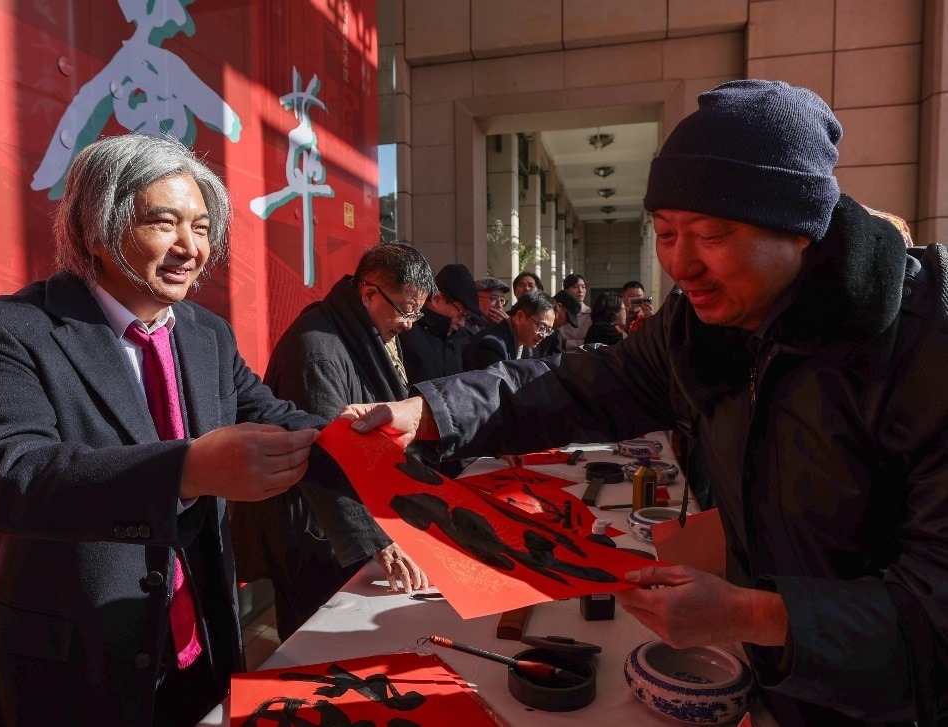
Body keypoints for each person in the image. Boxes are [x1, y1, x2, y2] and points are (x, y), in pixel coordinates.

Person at [341, 80, 948, 725]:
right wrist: (429, 413)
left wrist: (755, 615)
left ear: (802, 229)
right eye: (665, 233)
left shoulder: (924, 345)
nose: (681, 265)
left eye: (712, 235)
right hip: (773, 683)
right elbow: (575, 383)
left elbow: (934, 604)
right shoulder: (701, 328)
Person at [0, 134, 339, 726]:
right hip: (74, 668)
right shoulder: (7, 331)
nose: (190, 247)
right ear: (95, 230)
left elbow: (272, 415)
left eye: (201, 227)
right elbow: (0, 473)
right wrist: (186, 471)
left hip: (199, 649)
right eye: (164, 222)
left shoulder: (206, 334)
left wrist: (360, 437)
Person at [233, 242, 431, 640]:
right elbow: (327, 452)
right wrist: (377, 539)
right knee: (314, 636)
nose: (410, 324)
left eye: (417, 314)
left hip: (347, 514)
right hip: (316, 523)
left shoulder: (359, 331)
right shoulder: (316, 350)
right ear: (370, 293)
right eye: (406, 311)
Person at [401, 262, 485, 384]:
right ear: (437, 298)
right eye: (462, 314)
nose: (462, 323)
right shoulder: (405, 329)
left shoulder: (462, 337)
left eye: (467, 317)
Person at [462, 290, 554, 370]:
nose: (543, 335)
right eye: (541, 327)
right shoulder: (492, 344)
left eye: (548, 330)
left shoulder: (526, 345)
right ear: (519, 317)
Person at [535, 289, 581, 357]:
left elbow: (554, 359)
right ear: (558, 306)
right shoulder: (530, 320)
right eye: (567, 318)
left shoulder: (555, 335)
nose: (565, 323)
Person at [556, 273, 591, 351]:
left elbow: (591, 342)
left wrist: (566, 343)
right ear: (566, 290)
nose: (580, 291)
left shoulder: (591, 314)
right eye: (575, 287)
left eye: (583, 287)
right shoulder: (558, 310)